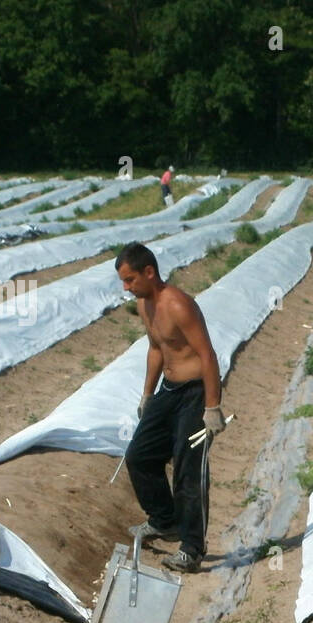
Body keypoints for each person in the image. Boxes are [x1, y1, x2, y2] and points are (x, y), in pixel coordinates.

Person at [116, 242, 225, 573]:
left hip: (194, 394)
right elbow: (156, 348)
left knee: (188, 473)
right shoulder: (144, 305)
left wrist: (212, 407)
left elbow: (207, 354)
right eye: (123, 281)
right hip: (168, 390)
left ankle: (192, 550)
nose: (126, 287)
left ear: (149, 272)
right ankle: (165, 520)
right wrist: (147, 395)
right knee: (139, 456)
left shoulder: (178, 305)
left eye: (130, 279)